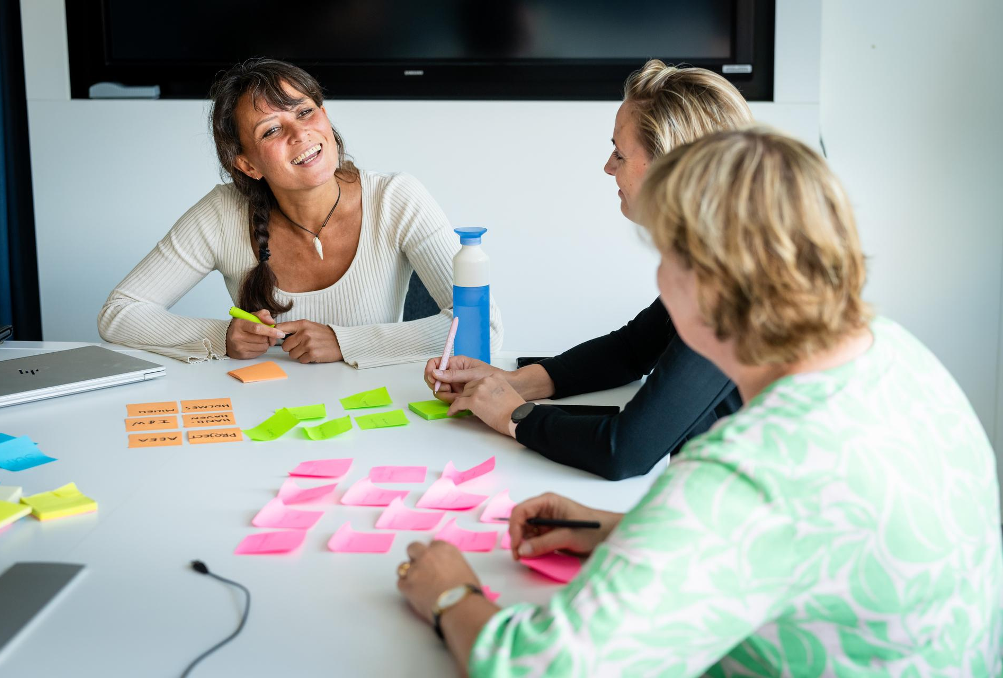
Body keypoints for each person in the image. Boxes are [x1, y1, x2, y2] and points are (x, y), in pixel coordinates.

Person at [397, 128, 1003, 676]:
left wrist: (452, 595)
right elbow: (809, 544)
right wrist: (627, 532)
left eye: (663, 257)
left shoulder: (749, 473)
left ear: (707, 285)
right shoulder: (896, 354)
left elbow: (544, 667)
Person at [424, 61, 749, 480]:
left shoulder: (734, 289)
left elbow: (624, 451)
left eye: (619, 153)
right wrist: (513, 381)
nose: (608, 167)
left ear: (671, 170)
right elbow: (633, 349)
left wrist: (513, 414)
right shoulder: (713, 257)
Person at [98, 58, 502, 367]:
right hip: (266, 412)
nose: (299, 133)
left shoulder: (397, 198)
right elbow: (120, 314)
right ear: (248, 165)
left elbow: (484, 328)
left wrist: (345, 343)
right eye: (270, 130)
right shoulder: (221, 212)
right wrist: (223, 336)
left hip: (374, 417)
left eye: (305, 111)